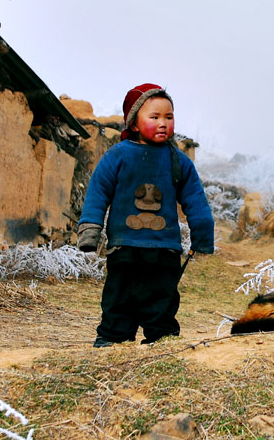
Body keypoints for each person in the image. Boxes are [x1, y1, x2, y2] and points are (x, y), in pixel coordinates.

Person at [77, 83, 215, 347]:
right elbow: (97, 194)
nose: (163, 123)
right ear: (135, 123)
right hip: (124, 246)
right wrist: (90, 230)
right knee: (119, 296)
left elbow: (196, 201)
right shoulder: (117, 156)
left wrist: (203, 236)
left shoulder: (179, 161)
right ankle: (113, 340)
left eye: (169, 117)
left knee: (162, 298)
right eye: (154, 117)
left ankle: (161, 342)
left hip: (164, 249)